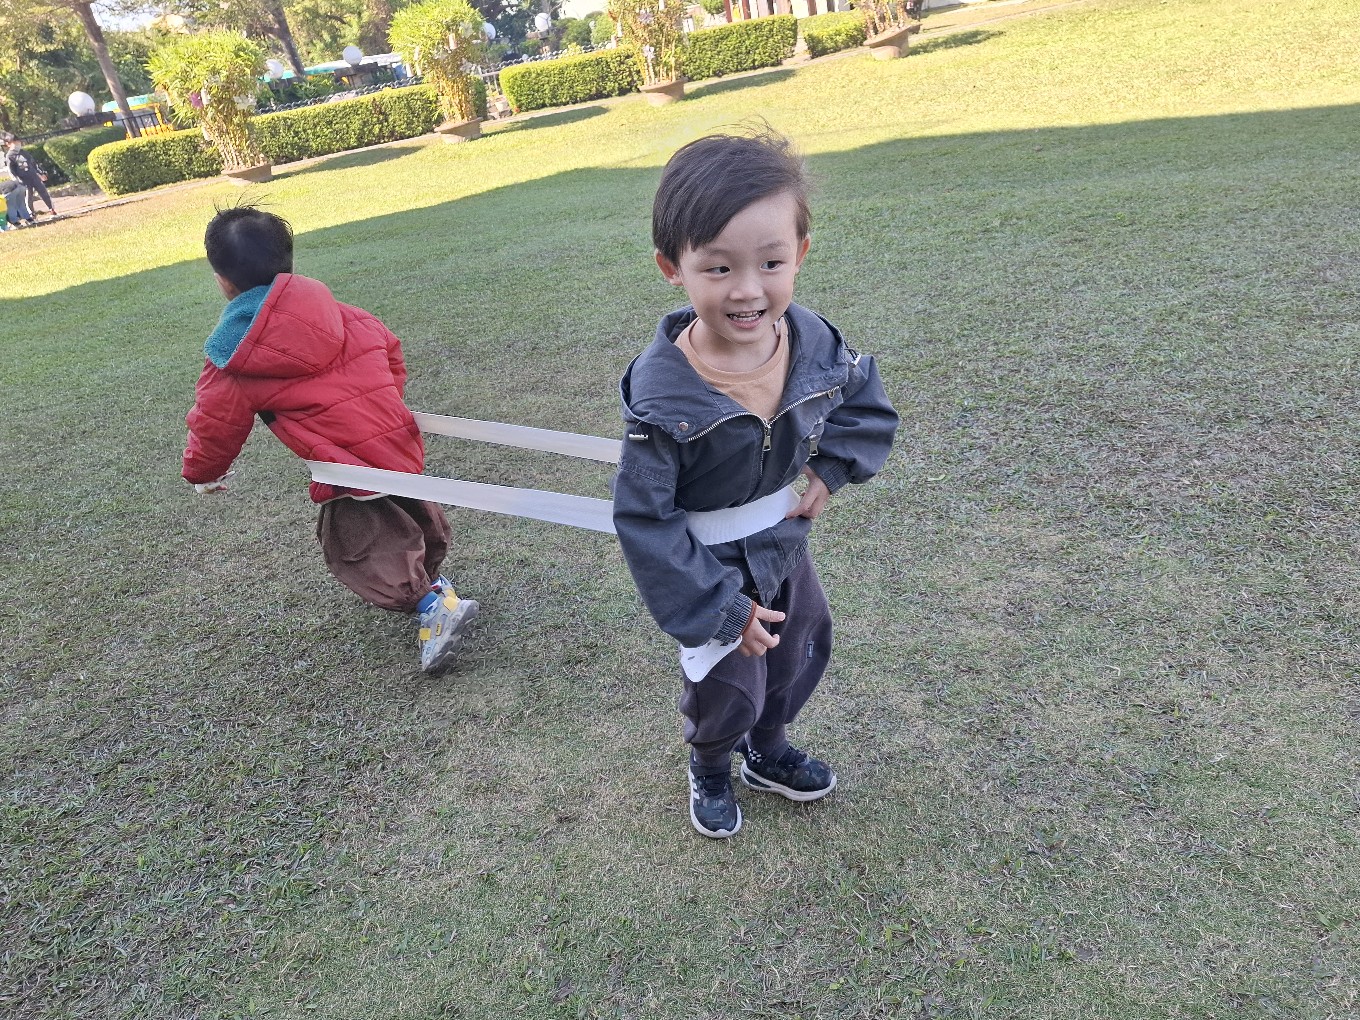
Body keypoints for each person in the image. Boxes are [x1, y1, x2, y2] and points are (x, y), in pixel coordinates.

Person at [612, 129, 900, 839]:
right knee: (725, 683)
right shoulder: (662, 394)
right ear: (672, 268)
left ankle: (768, 750)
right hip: (709, 565)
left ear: (800, 252)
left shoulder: (812, 340)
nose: (748, 290)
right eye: (718, 268)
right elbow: (645, 520)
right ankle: (711, 763)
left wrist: (833, 466)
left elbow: (860, 398)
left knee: (799, 647)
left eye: (770, 262)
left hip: (785, 545)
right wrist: (720, 608)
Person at [182, 204, 478, 673]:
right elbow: (391, 351)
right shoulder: (344, 314)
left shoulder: (233, 354)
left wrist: (203, 472)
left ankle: (431, 607)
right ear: (288, 262)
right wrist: (380, 409)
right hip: (395, 444)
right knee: (405, 511)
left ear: (222, 281)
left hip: (345, 468)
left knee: (356, 546)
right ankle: (436, 589)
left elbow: (214, 422)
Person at [4, 139, 56, 218]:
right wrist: (17, 180)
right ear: (9, 144)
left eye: (18, 142)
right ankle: (31, 214)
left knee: (43, 192)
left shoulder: (24, 152)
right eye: (14, 143)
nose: (17, 144)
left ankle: (51, 209)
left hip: (33, 176)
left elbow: (33, 164)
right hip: (23, 179)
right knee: (28, 196)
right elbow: (11, 170)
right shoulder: (10, 156)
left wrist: (41, 173)